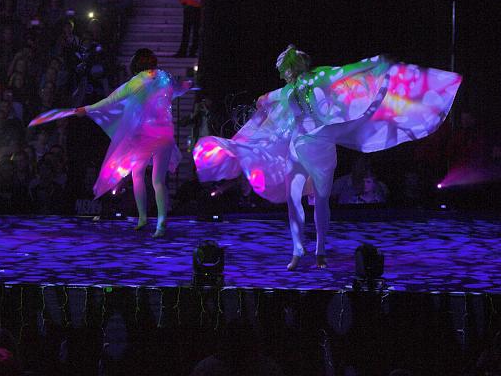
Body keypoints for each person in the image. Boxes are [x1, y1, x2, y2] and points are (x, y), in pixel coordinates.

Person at [194, 45, 462, 269]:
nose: (283, 75)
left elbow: (346, 71)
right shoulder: (287, 91)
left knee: (320, 200)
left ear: (291, 67)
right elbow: (265, 98)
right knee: (293, 198)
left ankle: (320, 250)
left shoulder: (318, 77)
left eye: (284, 70)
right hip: (298, 146)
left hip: (320, 146)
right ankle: (298, 250)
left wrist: (374, 63)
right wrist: (264, 103)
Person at [30, 48, 192, 236]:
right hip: (164, 136)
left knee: (138, 174)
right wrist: (189, 84)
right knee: (158, 180)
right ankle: (161, 223)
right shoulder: (165, 78)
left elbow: (109, 101)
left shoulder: (135, 82)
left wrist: (85, 109)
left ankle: (142, 218)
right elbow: (178, 89)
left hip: (144, 137)